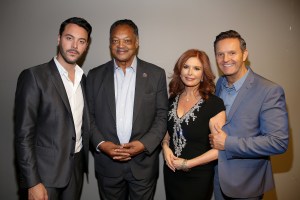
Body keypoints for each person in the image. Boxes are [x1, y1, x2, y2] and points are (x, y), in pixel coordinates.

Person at [86, 19, 168, 200]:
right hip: (108, 166)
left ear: (137, 42)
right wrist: (101, 144)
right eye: (115, 41)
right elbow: (88, 117)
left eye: (127, 40)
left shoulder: (156, 74)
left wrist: (144, 144)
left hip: (143, 165)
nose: (120, 45)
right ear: (110, 44)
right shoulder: (94, 75)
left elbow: (162, 116)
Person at [14, 17, 93, 200]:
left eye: (81, 41)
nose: (74, 45)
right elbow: (23, 135)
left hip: (75, 171)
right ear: (58, 39)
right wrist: (33, 182)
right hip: (44, 175)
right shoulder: (34, 77)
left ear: (86, 46)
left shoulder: (84, 79)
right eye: (69, 38)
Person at [209, 30, 289, 200]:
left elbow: (278, 142)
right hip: (218, 179)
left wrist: (228, 143)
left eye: (232, 53)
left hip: (247, 184)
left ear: (244, 54)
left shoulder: (269, 91)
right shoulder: (220, 83)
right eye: (220, 54)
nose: (225, 59)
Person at [162, 49, 226, 200]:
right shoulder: (172, 100)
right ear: (180, 70)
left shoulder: (214, 104)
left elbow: (220, 149)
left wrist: (187, 163)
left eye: (197, 68)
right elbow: (167, 134)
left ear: (204, 74)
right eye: (186, 67)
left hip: (198, 176)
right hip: (172, 173)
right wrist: (165, 148)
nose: (190, 72)